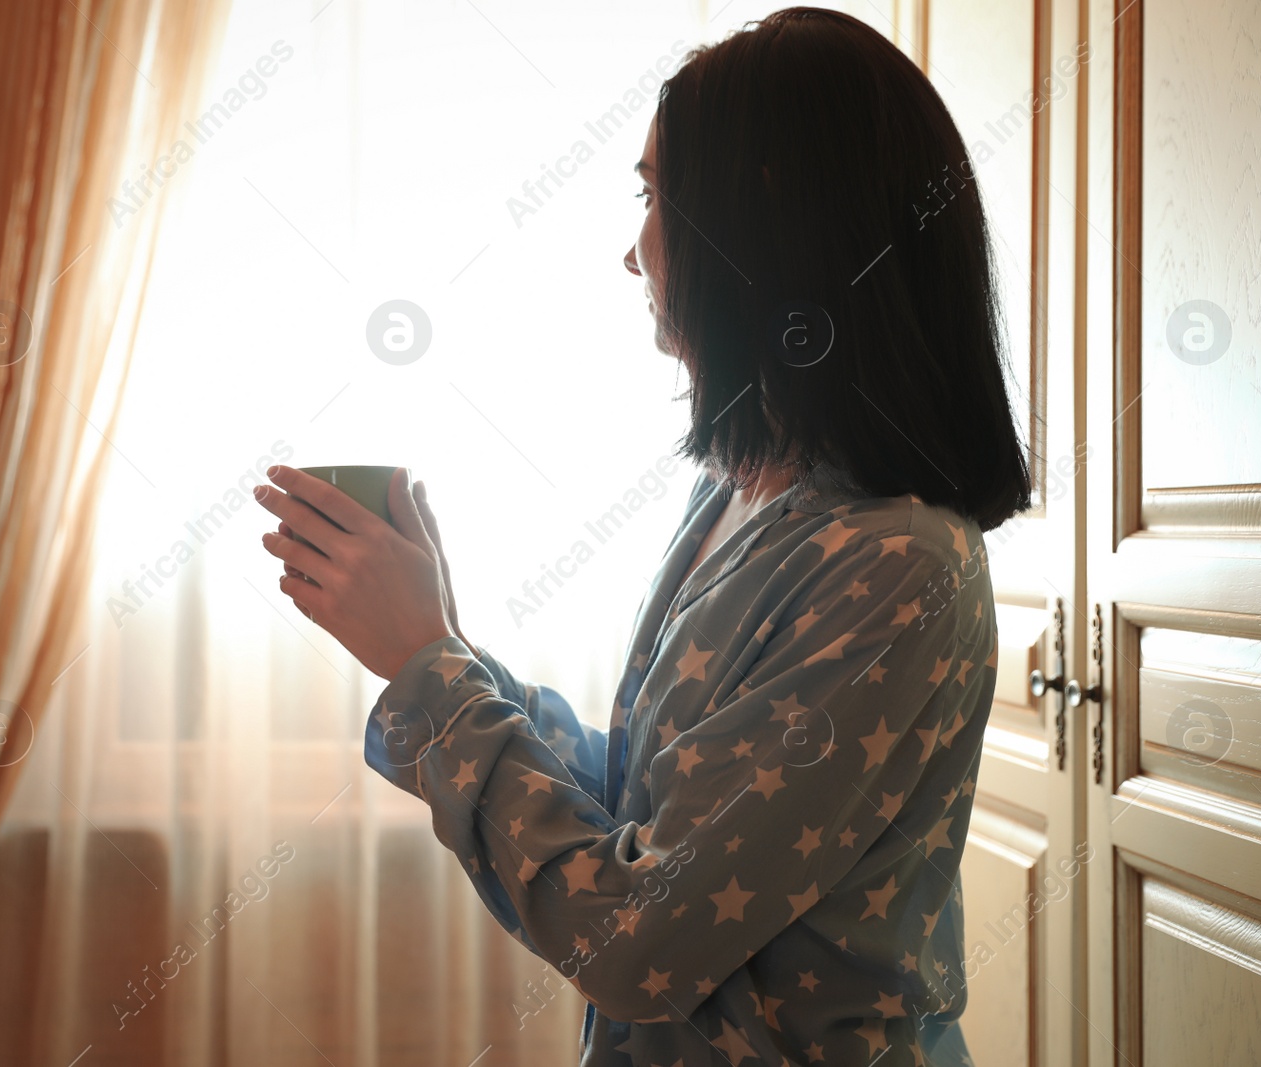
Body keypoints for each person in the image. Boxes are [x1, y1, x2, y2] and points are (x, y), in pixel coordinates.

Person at [253, 7, 1031, 1064]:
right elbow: (639, 804)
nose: (633, 251)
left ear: (763, 222)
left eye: (657, 197)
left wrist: (427, 668)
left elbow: (636, 937)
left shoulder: (893, 565)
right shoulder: (740, 490)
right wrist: (437, 638)